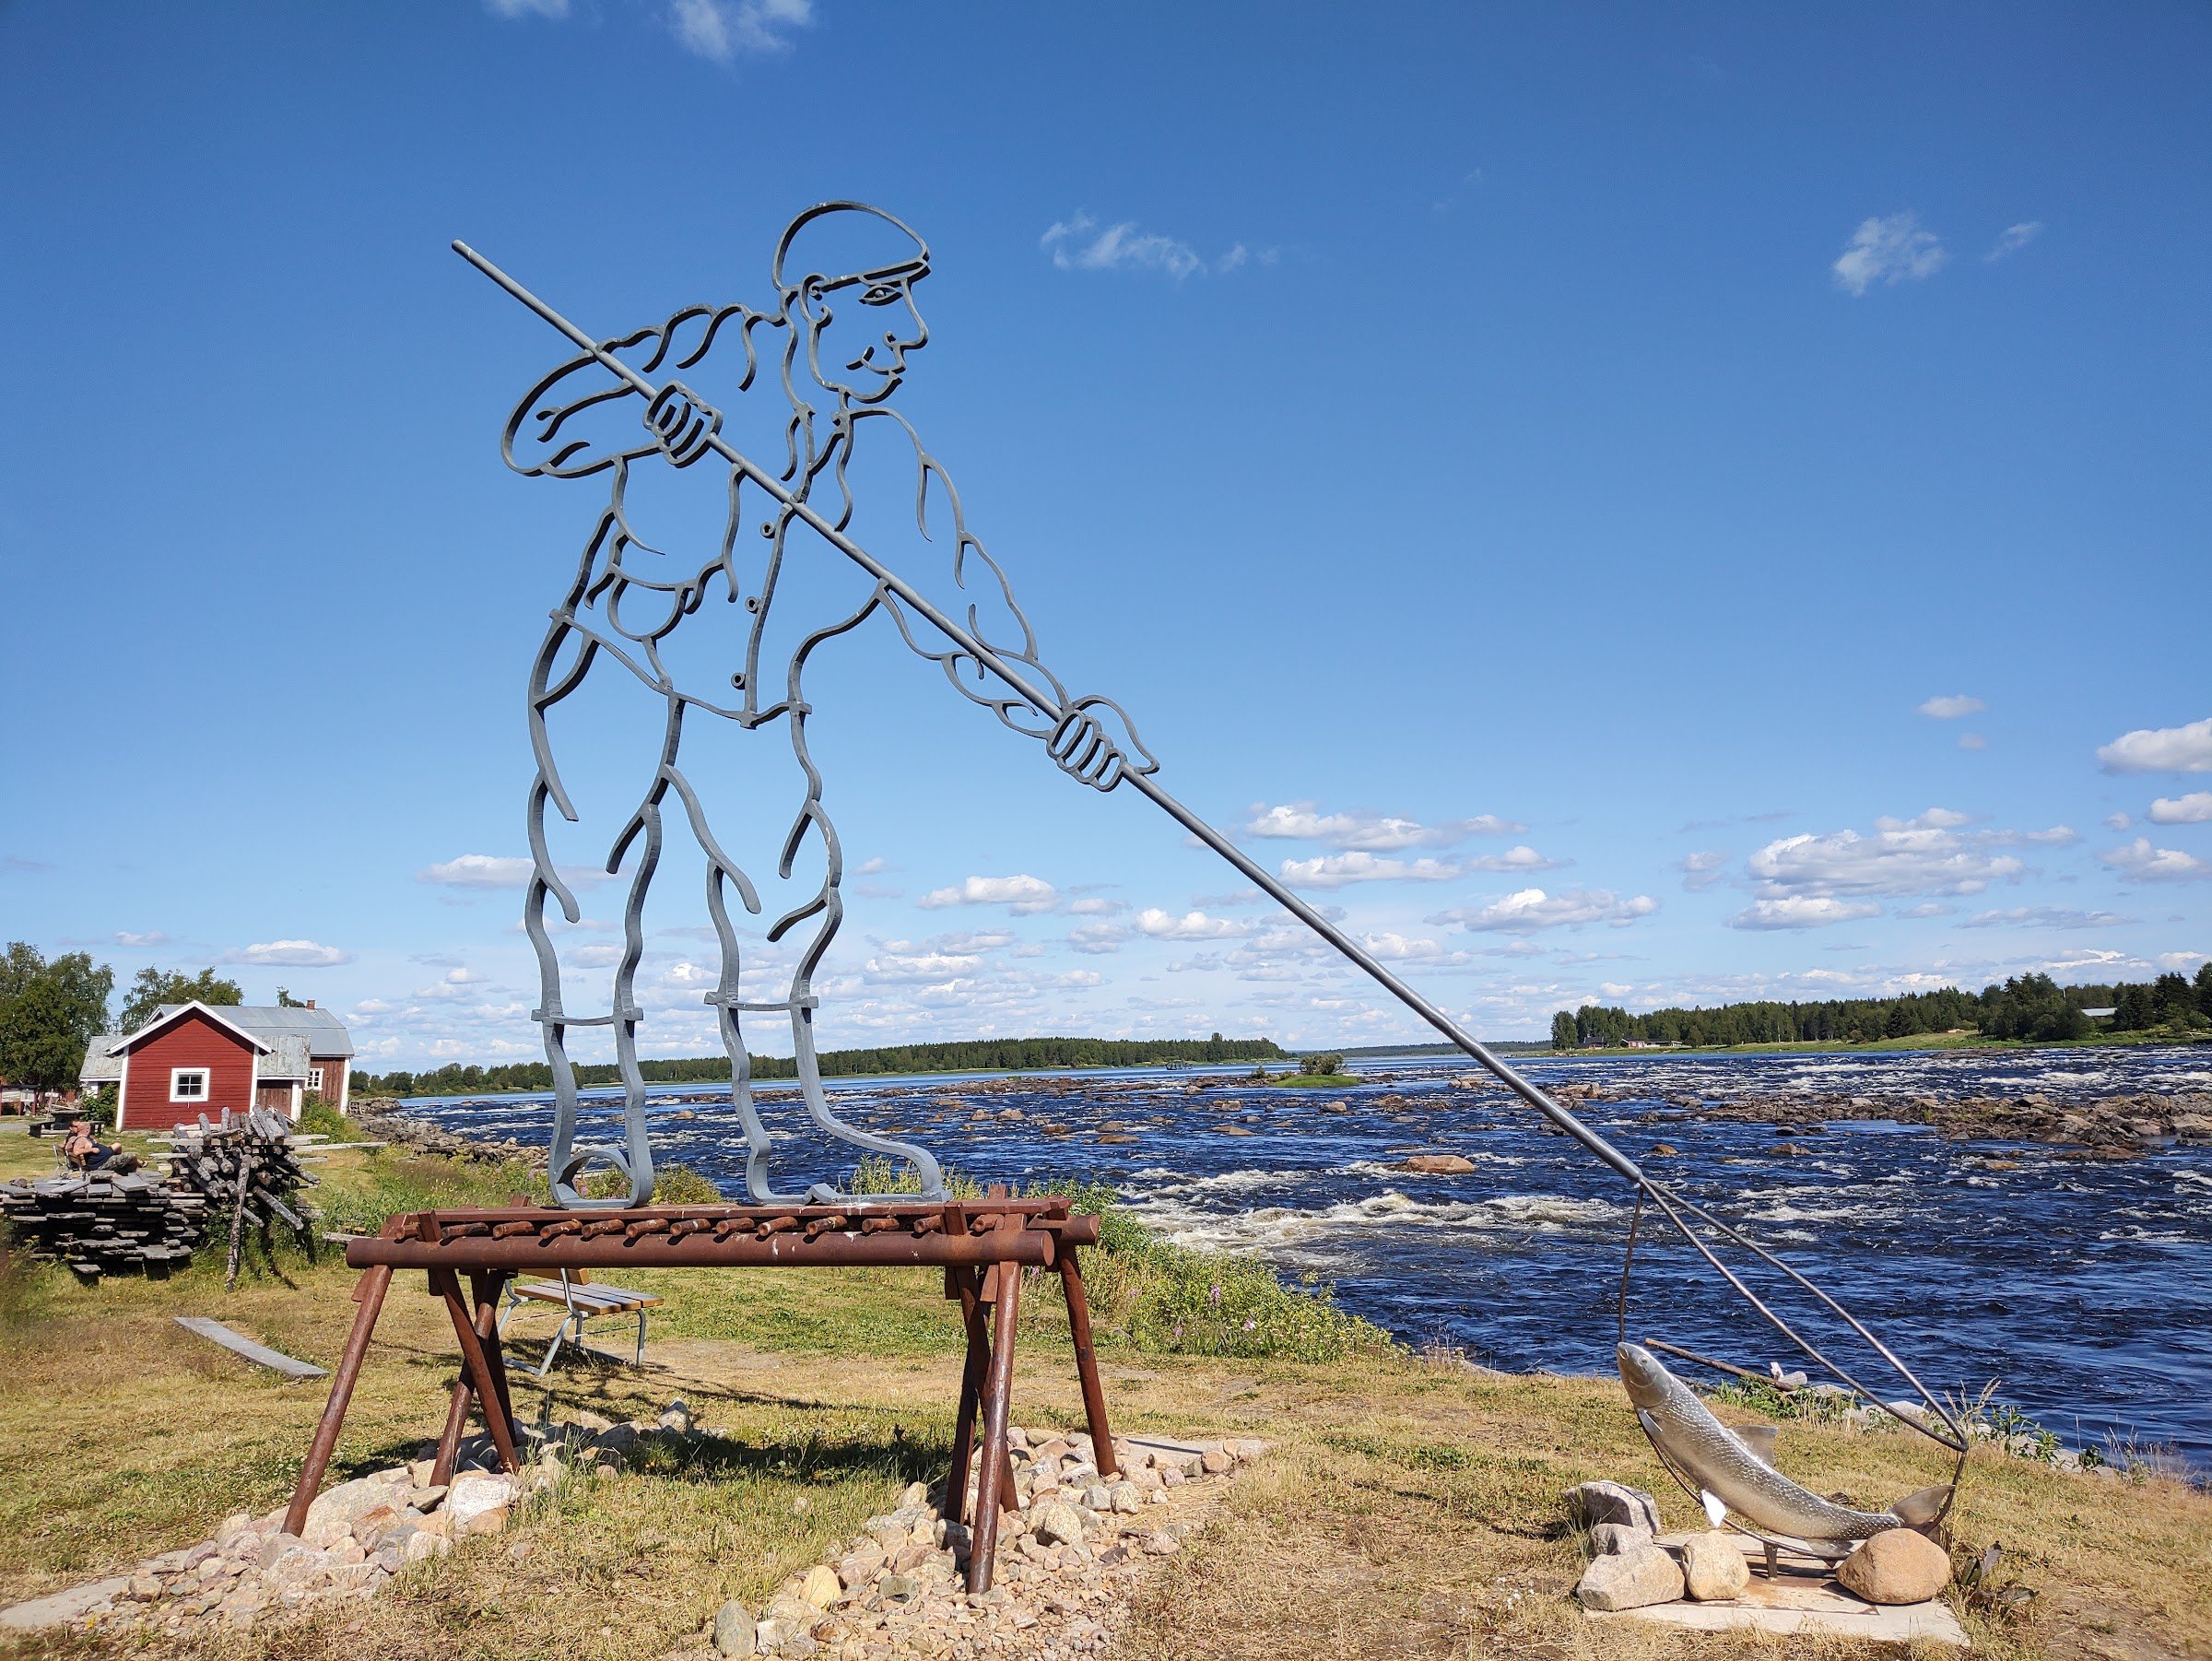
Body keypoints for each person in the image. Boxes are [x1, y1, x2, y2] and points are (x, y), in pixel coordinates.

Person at [504, 203, 1154, 1207]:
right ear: (812, 302)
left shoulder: (883, 461)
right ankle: (595, 1143)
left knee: (781, 901)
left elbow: (966, 617)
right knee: (594, 904)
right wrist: (649, 416)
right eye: (887, 302)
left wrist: (1059, 722)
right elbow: (544, 430)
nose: (913, 335)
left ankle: (786, 1135)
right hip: (620, 667)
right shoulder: (716, 351)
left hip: (751, 710)